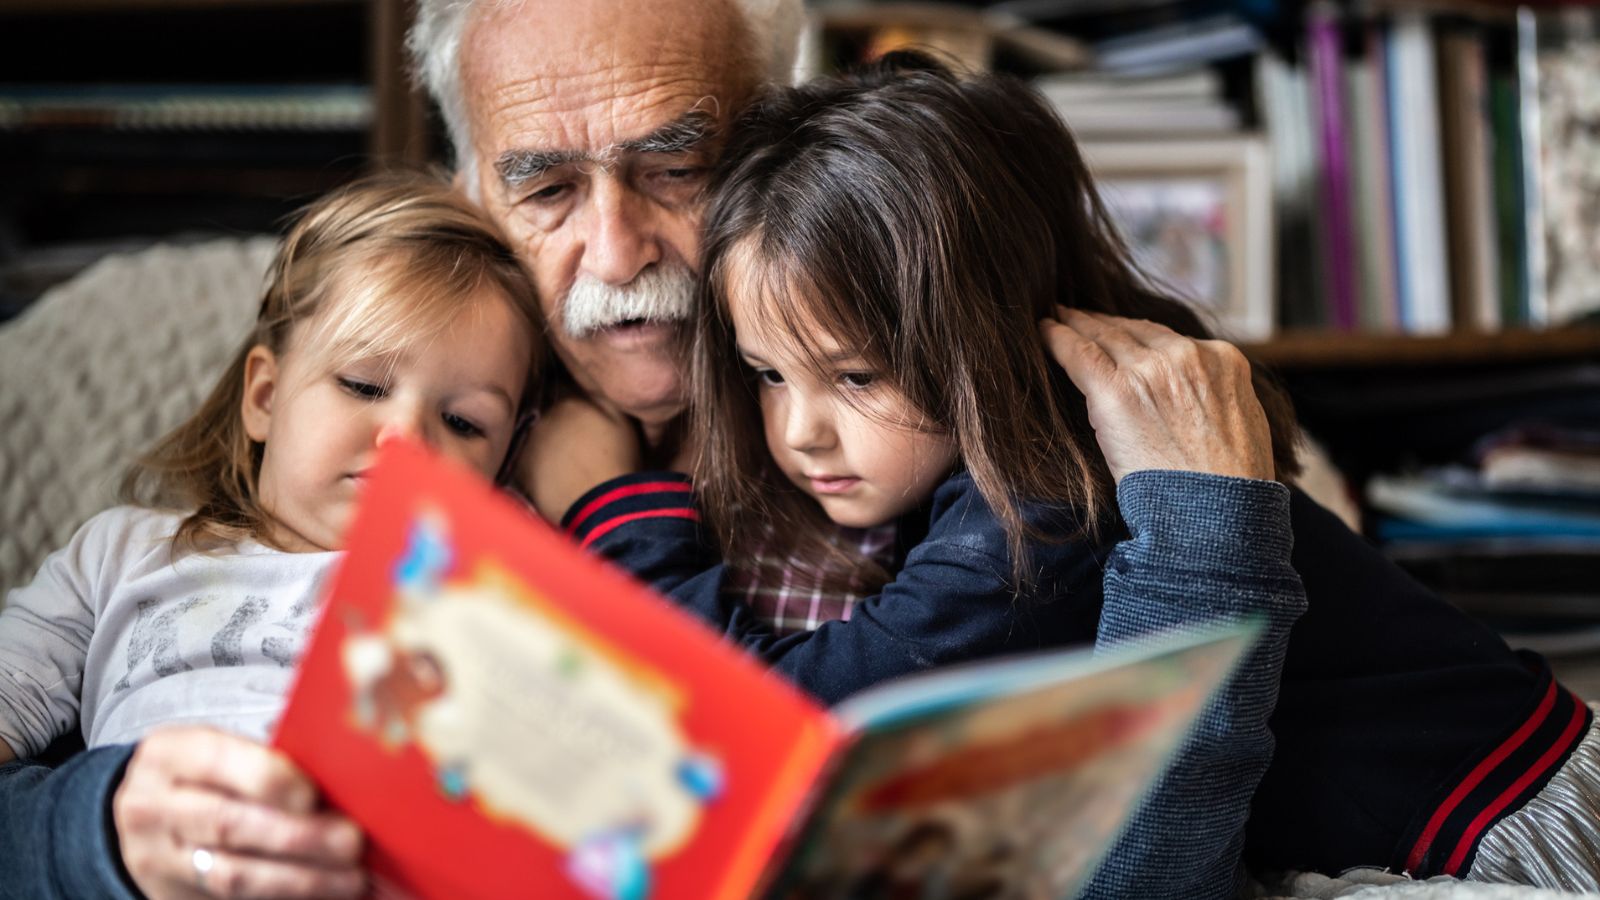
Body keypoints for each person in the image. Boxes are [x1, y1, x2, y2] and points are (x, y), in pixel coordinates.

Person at [526, 55, 1600, 895]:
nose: (798, 431)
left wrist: (618, 510)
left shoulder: (1045, 502)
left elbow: (778, 728)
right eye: (766, 374)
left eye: (854, 376)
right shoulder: (996, 472)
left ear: (983, 338)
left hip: (1504, 846)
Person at [0, 171, 546, 899]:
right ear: (265, 397)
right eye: (362, 385)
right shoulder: (122, 555)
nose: (406, 438)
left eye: (464, 423)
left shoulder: (489, 580)